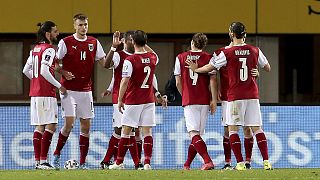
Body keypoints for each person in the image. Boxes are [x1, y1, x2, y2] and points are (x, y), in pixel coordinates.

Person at [187, 22, 272, 171]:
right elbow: (267, 67)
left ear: (231, 33)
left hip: (234, 96)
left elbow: (210, 67)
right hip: (252, 94)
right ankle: (266, 162)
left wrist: (197, 69)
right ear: (244, 34)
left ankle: (239, 163)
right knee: (257, 129)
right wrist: (257, 71)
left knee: (232, 129)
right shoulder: (254, 50)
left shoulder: (226, 52)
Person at [52, 13, 108, 169]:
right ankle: (56, 155)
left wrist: (114, 51)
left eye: (85, 25)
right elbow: (55, 65)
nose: (83, 28)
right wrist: (63, 73)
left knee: (86, 126)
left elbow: (105, 64)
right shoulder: (66, 42)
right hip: (69, 90)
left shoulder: (94, 42)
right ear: (74, 26)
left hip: (86, 90)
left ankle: (83, 163)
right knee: (69, 123)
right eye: (80, 25)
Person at [109, 30, 167, 170]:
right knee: (147, 132)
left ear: (133, 42)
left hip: (133, 100)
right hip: (149, 100)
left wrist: (120, 99)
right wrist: (144, 44)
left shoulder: (130, 60)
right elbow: (153, 55)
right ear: (145, 43)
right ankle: (146, 162)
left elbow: (124, 81)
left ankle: (118, 162)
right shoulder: (153, 58)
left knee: (126, 131)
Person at [23, 21, 66, 169]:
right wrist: (59, 86)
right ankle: (43, 161)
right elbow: (44, 71)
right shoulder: (49, 49)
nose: (57, 34)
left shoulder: (35, 49)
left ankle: (38, 162)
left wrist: (37, 82)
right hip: (46, 94)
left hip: (35, 94)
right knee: (51, 125)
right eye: (55, 31)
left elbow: (26, 71)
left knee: (40, 126)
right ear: (48, 34)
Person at [100, 30, 144, 169]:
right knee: (123, 129)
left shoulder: (139, 56)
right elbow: (107, 65)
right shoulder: (119, 56)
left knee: (130, 131)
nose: (132, 42)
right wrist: (113, 47)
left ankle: (113, 161)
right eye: (129, 39)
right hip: (120, 98)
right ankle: (133, 163)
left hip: (134, 98)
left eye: (133, 39)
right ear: (124, 41)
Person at [174, 33, 217, 170]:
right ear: (204, 45)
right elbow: (213, 80)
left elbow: (178, 82)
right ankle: (187, 164)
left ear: (192, 42)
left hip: (190, 99)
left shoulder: (181, 57)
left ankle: (208, 161)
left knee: (193, 134)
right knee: (197, 134)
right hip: (204, 100)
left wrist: (184, 94)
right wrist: (213, 99)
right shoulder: (209, 58)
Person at [216, 43, 259, 170]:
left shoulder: (243, 52)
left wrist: (257, 73)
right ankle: (228, 162)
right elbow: (212, 71)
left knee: (247, 129)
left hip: (242, 96)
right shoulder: (222, 52)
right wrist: (217, 91)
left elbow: (255, 69)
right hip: (227, 97)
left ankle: (247, 162)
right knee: (227, 130)